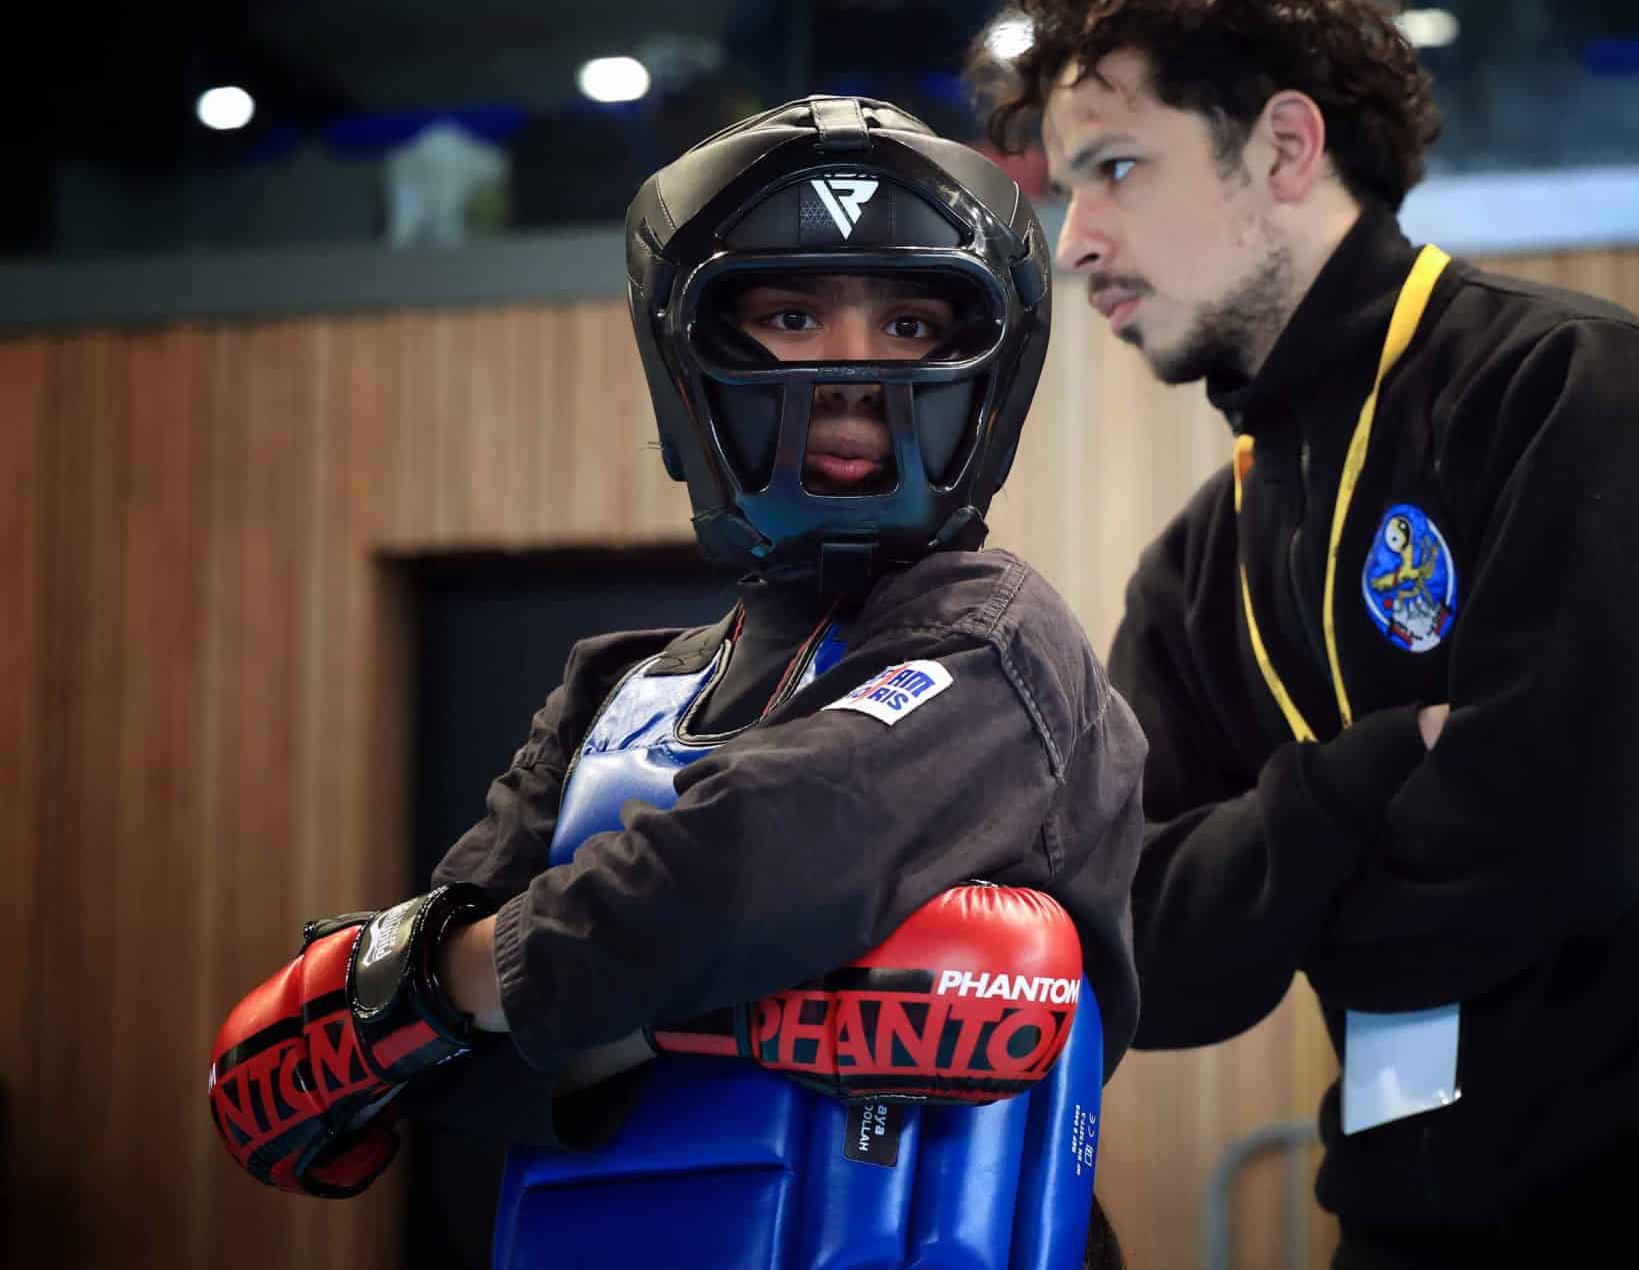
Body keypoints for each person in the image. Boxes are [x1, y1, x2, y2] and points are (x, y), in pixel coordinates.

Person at [974, 0, 1639, 1269]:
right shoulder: (1196, 565)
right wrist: (1357, 784)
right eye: (1067, 191)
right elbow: (1136, 950)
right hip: (1411, 1220)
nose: (1078, 243)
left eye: (1116, 168)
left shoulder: (1569, 387)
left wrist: (1283, 893)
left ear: (1284, 148)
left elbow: (1578, 833)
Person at [206, 96, 1141, 1268]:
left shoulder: (997, 643)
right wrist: (726, 1013)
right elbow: (445, 1075)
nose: (851, 373)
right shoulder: (612, 697)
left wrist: (443, 980)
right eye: (791, 317)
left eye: (909, 324)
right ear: (687, 357)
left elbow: (773, 851)